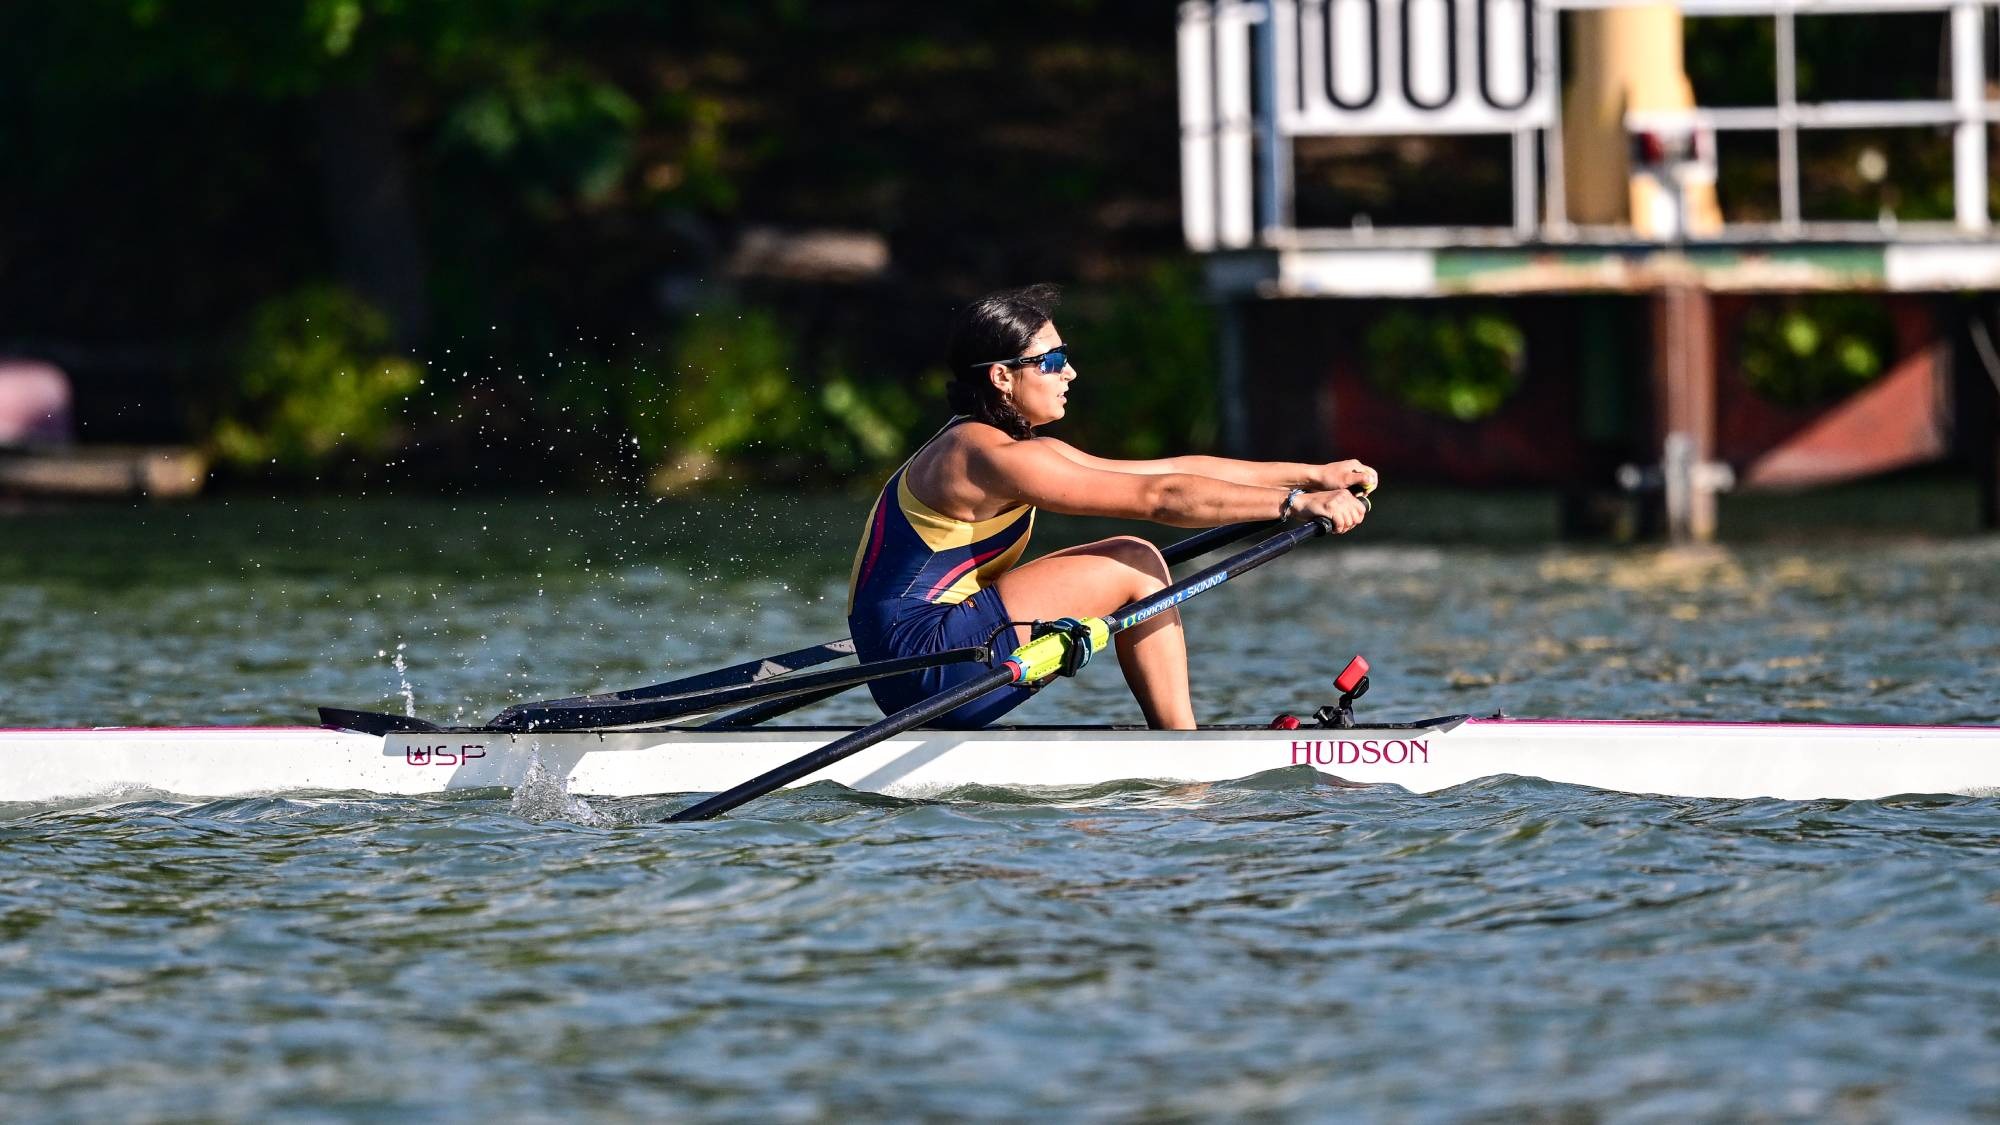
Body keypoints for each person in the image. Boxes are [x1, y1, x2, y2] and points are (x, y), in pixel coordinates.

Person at [846, 283, 1375, 731]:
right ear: (1002, 377)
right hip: (925, 667)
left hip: (919, 664)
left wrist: (1311, 475)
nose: (1070, 372)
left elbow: (1165, 473)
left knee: (1136, 558)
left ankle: (1181, 743)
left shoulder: (1009, 449)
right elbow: (1161, 500)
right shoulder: (989, 458)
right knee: (1137, 560)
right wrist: (1295, 504)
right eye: (1051, 362)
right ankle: (1184, 752)